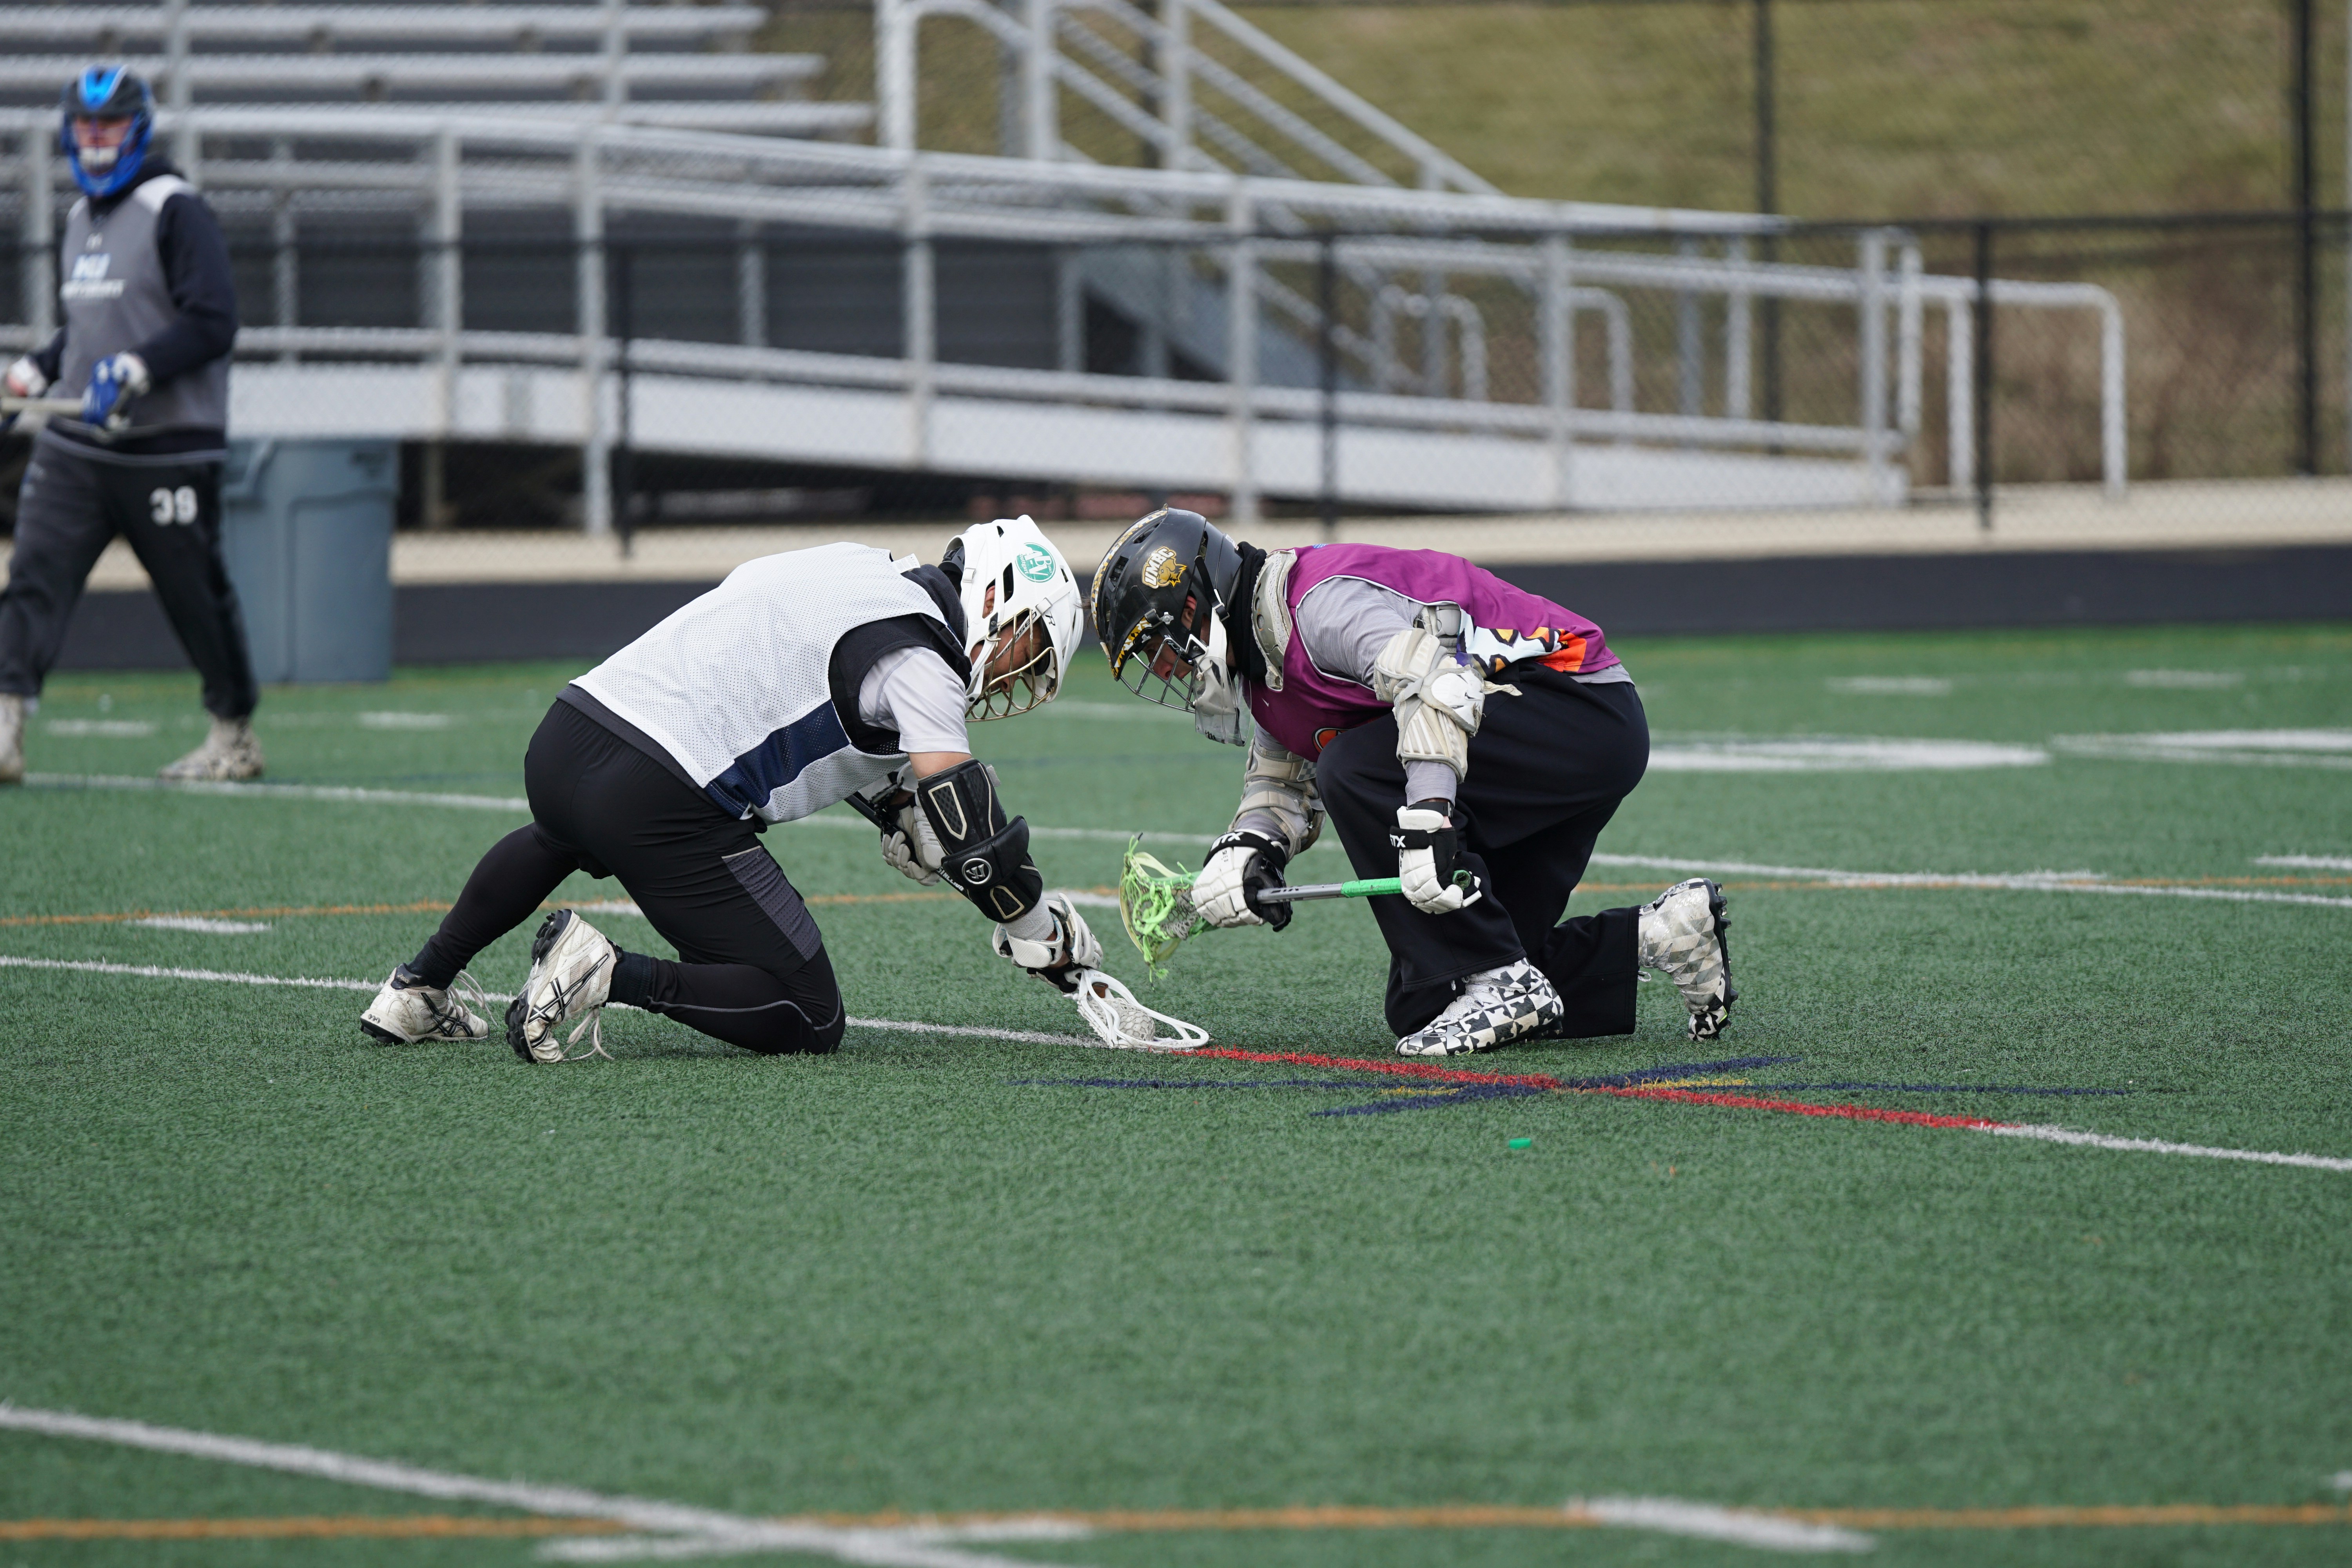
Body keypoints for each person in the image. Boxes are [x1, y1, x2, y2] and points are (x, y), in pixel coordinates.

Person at [359, 519, 1104, 1062]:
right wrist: (1038, 928)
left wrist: (895, 800)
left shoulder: (860, 567)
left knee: (561, 837)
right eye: (1029, 642)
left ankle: (416, 988)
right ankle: (606, 971)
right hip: (658, 795)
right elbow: (970, 831)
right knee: (811, 1016)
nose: (1023, 669)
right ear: (996, 597)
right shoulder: (923, 661)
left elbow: (795, 688)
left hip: (568, 734)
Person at [1088, 508, 1734, 1058]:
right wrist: (1245, 854)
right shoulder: (1263, 666)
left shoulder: (1317, 609)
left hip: (1577, 708)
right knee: (1430, 996)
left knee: (1355, 768)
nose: (1166, 667)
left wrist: (1429, 818)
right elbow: (1280, 785)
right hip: (1533, 742)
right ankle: (1661, 935)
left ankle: (1502, 978)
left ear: (1198, 601)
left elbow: (1438, 684)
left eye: (1160, 645)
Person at [0, 67, 261, 786]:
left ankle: (233, 733)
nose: (94, 141)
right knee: (33, 575)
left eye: (108, 126)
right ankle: (6, 721)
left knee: (194, 593)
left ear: (137, 129)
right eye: (85, 127)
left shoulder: (176, 208)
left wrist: (139, 368)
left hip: (168, 445)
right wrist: (37, 368)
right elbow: (87, 332)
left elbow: (213, 321)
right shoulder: (81, 216)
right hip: (78, 443)